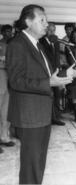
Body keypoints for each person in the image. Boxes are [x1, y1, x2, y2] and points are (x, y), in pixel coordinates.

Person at [6, 4, 76, 184]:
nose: (46, 24)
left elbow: (45, 74)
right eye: (42, 20)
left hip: (42, 113)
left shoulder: (39, 45)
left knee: (38, 163)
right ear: (28, 22)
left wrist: (63, 76)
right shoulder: (17, 44)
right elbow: (15, 81)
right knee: (31, 166)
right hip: (29, 116)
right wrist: (49, 83)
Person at [39, 22, 65, 126]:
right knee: (47, 95)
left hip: (56, 72)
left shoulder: (56, 42)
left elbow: (57, 56)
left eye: (53, 30)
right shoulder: (40, 41)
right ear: (45, 30)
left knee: (57, 95)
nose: (52, 32)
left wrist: (58, 68)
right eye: (49, 30)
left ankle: (56, 117)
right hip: (45, 73)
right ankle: (47, 118)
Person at [0, 24, 15, 154]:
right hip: (1, 77)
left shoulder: (14, 46)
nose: (9, 34)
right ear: (2, 33)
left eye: (10, 31)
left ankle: (4, 137)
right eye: (6, 32)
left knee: (6, 110)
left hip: (11, 79)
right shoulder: (0, 45)